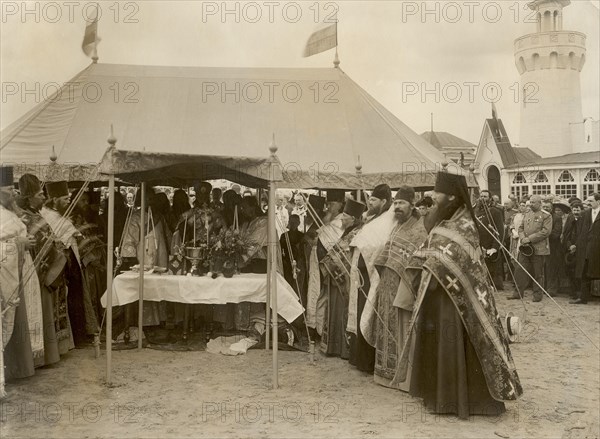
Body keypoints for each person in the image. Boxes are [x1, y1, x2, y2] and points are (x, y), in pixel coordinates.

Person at [392, 171, 522, 419]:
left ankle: (462, 400)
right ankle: (438, 397)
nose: (432, 195)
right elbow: (428, 248)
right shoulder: (442, 221)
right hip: (436, 296)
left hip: (460, 303)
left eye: (437, 192)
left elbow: (459, 259)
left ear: (451, 196)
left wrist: (433, 260)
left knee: (456, 346)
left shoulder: (466, 225)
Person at [370, 186, 427, 389]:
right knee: (387, 328)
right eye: (395, 203)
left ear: (412, 205)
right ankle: (385, 374)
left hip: (405, 288)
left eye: (401, 203)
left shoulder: (420, 228)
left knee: (403, 329)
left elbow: (418, 261)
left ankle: (404, 379)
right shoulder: (396, 227)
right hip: (387, 286)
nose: (397, 207)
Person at [18, 174, 74, 364]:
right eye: (40, 194)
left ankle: (53, 353)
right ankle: (44, 356)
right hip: (37, 273)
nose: (44, 198)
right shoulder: (24, 218)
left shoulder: (37, 214)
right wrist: (57, 252)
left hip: (49, 267)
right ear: (29, 197)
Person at [42, 181, 99, 346]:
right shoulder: (47, 215)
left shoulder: (59, 214)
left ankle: (77, 337)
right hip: (61, 265)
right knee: (71, 299)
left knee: (76, 298)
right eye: (65, 198)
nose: (69, 202)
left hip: (71, 261)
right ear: (54, 199)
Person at [347, 184, 395, 372]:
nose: (370, 203)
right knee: (360, 314)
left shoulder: (388, 220)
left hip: (371, 276)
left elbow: (378, 244)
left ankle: (367, 362)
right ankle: (359, 359)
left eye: (373, 200)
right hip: (362, 276)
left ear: (383, 201)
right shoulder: (375, 217)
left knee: (369, 315)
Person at [1, 166, 42, 384]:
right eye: (9, 189)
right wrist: (20, 243)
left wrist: (24, 244)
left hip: (17, 271)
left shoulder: (10, 213)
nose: (14, 194)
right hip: (5, 276)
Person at [319, 198, 366, 357]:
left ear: (352, 219)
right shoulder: (348, 231)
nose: (342, 218)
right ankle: (332, 346)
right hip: (336, 277)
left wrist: (330, 261)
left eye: (345, 215)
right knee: (334, 310)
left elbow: (344, 255)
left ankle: (342, 349)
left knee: (342, 311)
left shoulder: (356, 232)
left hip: (346, 281)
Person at [510, 195, 552, 302]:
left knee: (538, 273)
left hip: (538, 249)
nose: (531, 204)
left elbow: (546, 231)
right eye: (530, 202)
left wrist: (530, 239)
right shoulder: (527, 214)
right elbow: (520, 228)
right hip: (525, 248)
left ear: (539, 203)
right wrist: (523, 238)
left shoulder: (546, 216)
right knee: (520, 270)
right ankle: (518, 293)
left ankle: (537, 295)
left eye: (533, 202)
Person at [570, 193, 600, 304]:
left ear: (598, 201)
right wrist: (577, 245)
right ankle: (583, 298)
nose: (588, 203)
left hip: (598, 249)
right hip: (586, 249)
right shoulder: (585, 213)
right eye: (587, 201)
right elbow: (581, 232)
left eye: (591, 201)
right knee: (584, 272)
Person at [474, 190, 505, 291]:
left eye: (485, 197)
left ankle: (493, 286)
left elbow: (499, 230)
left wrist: (495, 247)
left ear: (490, 198)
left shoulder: (495, 211)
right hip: (478, 243)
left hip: (490, 244)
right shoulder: (476, 211)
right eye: (481, 196)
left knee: (492, 269)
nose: (483, 198)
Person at [546, 199, 572, 296]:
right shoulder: (551, 218)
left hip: (563, 245)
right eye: (556, 210)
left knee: (561, 267)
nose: (557, 212)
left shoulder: (567, 219)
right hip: (555, 246)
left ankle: (563, 287)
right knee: (552, 267)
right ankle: (553, 288)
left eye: (559, 210)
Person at [280, 214, 305, 299]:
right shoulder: (284, 236)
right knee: (288, 285)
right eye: (292, 222)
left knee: (298, 285)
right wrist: (283, 261)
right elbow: (280, 251)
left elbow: (303, 252)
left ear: (298, 223)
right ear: (289, 222)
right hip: (287, 263)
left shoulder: (302, 236)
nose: (293, 224)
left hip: (299, 263)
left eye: (295, 222)